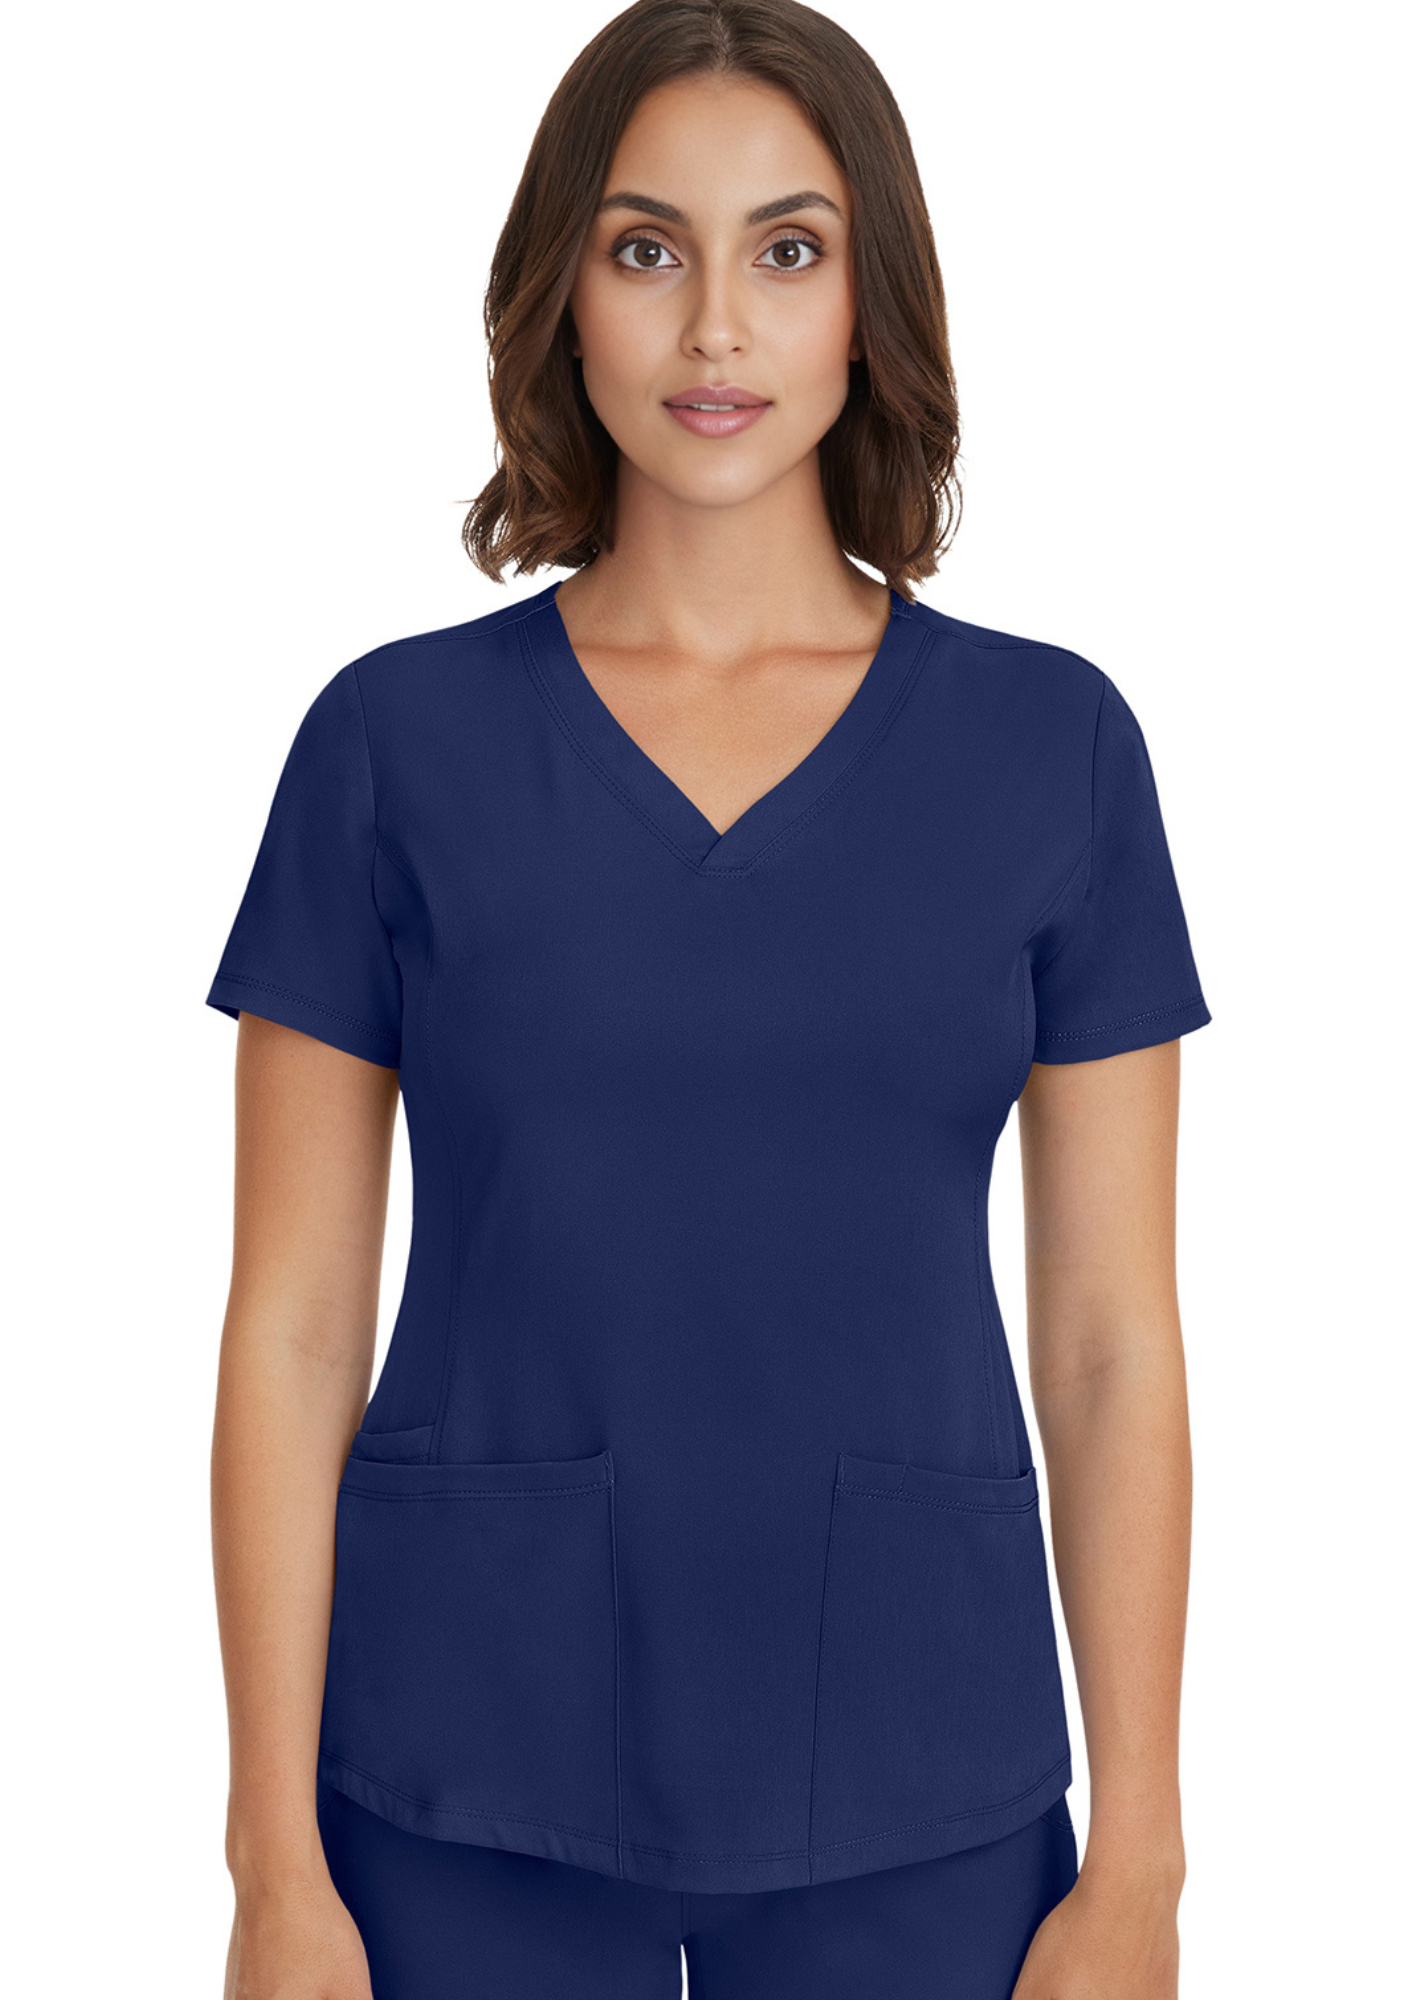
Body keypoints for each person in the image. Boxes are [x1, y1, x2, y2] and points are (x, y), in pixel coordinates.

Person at [208, 4, 1210, 1996]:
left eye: (788, 249)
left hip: (922, 1767)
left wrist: (1142, 1868)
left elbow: (1107, 1341)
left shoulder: (1053, 748)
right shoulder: (391, 745)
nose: (715, 329)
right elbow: (294, 1330)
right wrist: (269, 1865)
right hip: (454, 1767)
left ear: (868, 301)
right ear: (561, 293)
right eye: (647, 248)